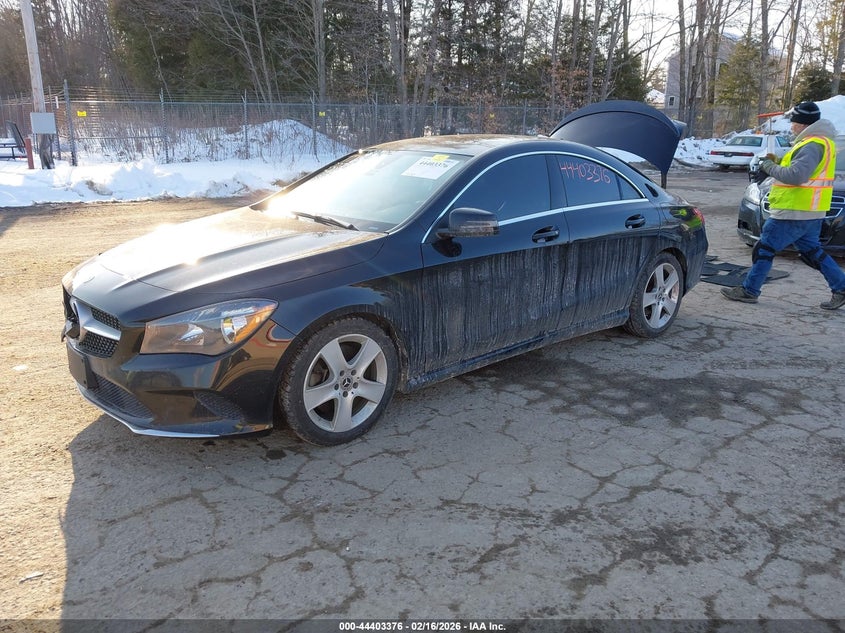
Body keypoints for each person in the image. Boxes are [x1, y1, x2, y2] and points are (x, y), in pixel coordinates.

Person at [721, 101, 845, 310]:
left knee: (765, 248)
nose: (791, 126)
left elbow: (797, 175)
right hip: (810, 211)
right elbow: (800, 167)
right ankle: (841, 287)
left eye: (794, 122)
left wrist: (769, 167)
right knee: (814, 252)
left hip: (793, 211)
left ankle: (750, 290)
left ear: (803, 124)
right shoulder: (821, 141)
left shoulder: (813, 144)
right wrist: (777, 160)